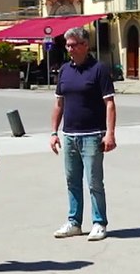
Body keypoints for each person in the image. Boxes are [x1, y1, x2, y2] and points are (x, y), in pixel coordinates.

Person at [49, 26, 117, 242]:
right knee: (72, 181)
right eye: (67, 45)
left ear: (85, 45)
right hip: (69, 135)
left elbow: (110, 104)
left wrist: (110, 134)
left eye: (73, 45)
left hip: (93, 135)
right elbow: (59, 103)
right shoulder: (64, 70)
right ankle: (74, 222)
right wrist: (53, 132)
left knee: (94, 182)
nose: (69, 49)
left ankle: (99, 223)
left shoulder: (99, 69)